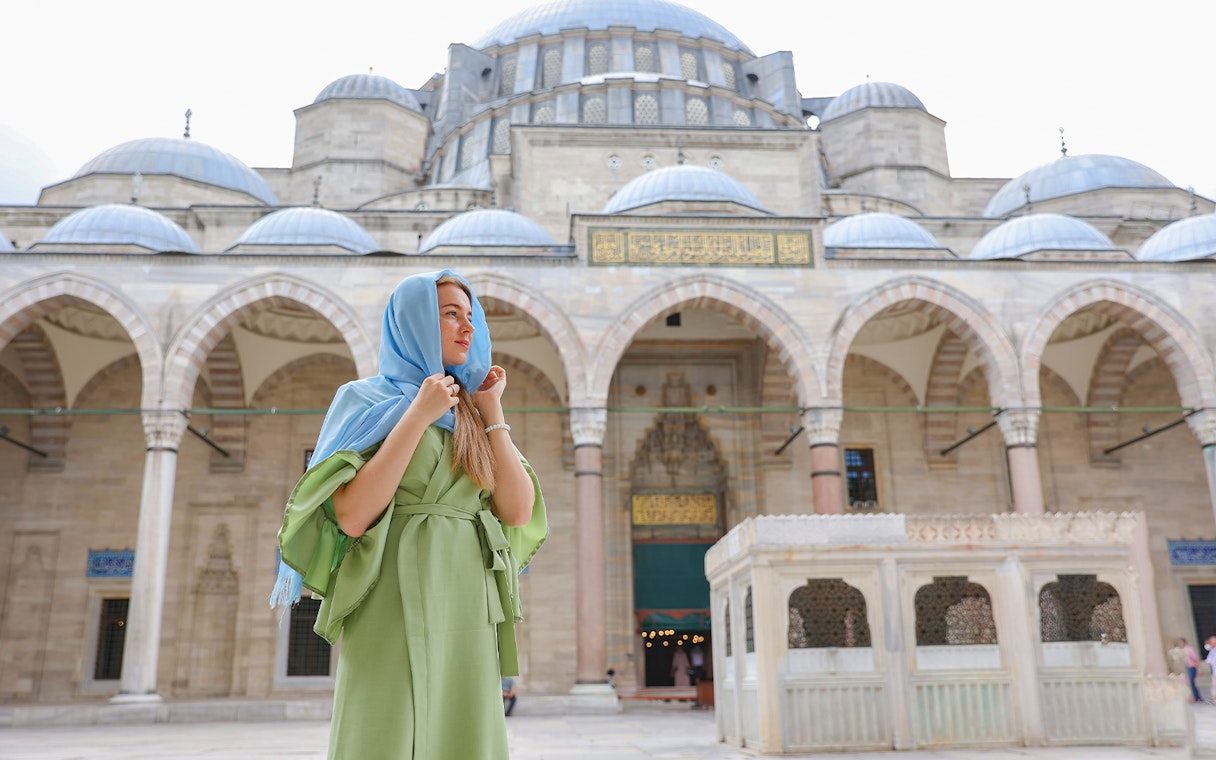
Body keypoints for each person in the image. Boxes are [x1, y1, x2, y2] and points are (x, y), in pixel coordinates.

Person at [271, 270, 547, 760]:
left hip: (468, 597)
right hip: (391, 592)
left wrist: (491, 409)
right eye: (450, 314)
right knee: (385, 726)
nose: (468, 328)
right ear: (414, 321)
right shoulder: (365, 400)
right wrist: (417, 414)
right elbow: (353, 515)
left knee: (464, 729)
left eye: (471, 316)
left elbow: (518, 509)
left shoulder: (471, 414)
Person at [1181, 638, 1203, 703]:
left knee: (1191, 682)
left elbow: (1195, 659)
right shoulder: (1181, 650)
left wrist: (1199, 668)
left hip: (1191, 667)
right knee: (1187, 682)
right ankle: (1190, 697)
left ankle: (1197, 697)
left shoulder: (1189, 649)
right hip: (1186, 668)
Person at [1206, 636, 1216, 704]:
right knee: (1214, 685)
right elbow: (1208, 660)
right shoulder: (1212, 650)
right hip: (1214, 671)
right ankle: (1214, 698)